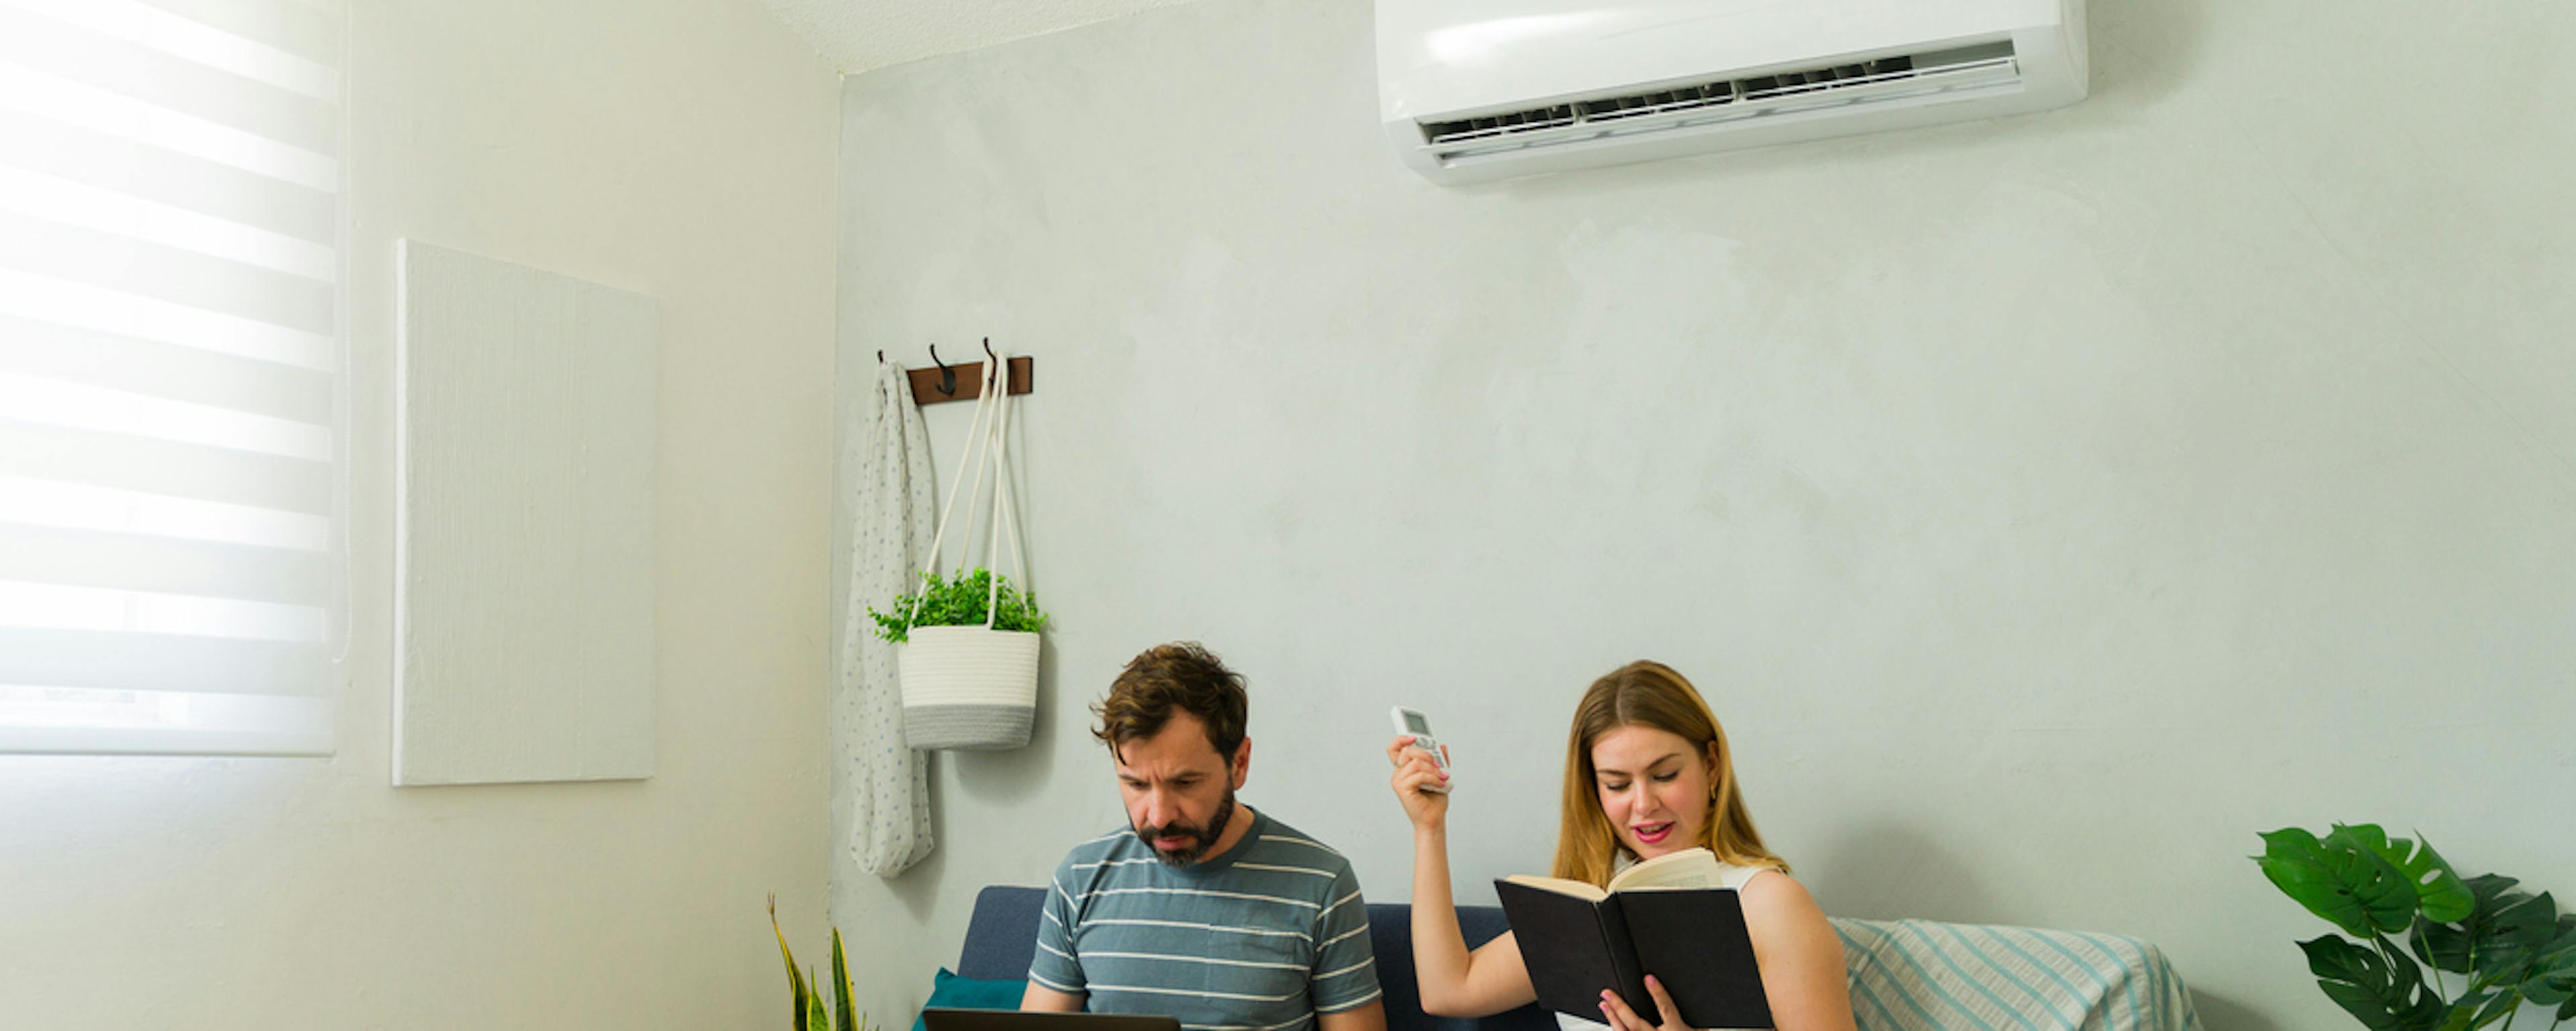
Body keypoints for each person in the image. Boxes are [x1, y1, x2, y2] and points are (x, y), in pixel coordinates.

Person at [1385, 660, 1856, 1031]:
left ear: (1711, 765)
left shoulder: (1768, 903)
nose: (1643, 804)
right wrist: (1429, 829)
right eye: (1617, 783)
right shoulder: (1591, 913)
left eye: (1665, 775)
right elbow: (1448, 989)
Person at [1026, 643, 1389, 1031]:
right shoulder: (1081, 879)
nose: (1160, 816)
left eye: (1185, 783)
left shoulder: (1322, 884)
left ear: (1239, 763)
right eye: (1135, 784)